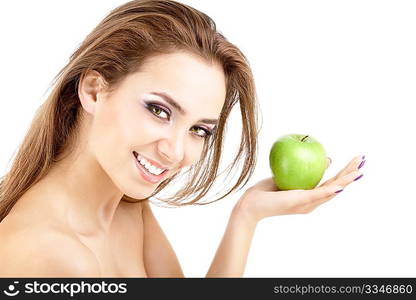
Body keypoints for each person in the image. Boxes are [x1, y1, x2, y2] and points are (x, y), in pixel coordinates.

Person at [0, 0, 364, 277]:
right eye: (159, 110)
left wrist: (247, 215)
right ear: (94, 91)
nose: (174, 152)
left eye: (199, 130)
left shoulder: (126, 206)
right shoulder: (53, 259)